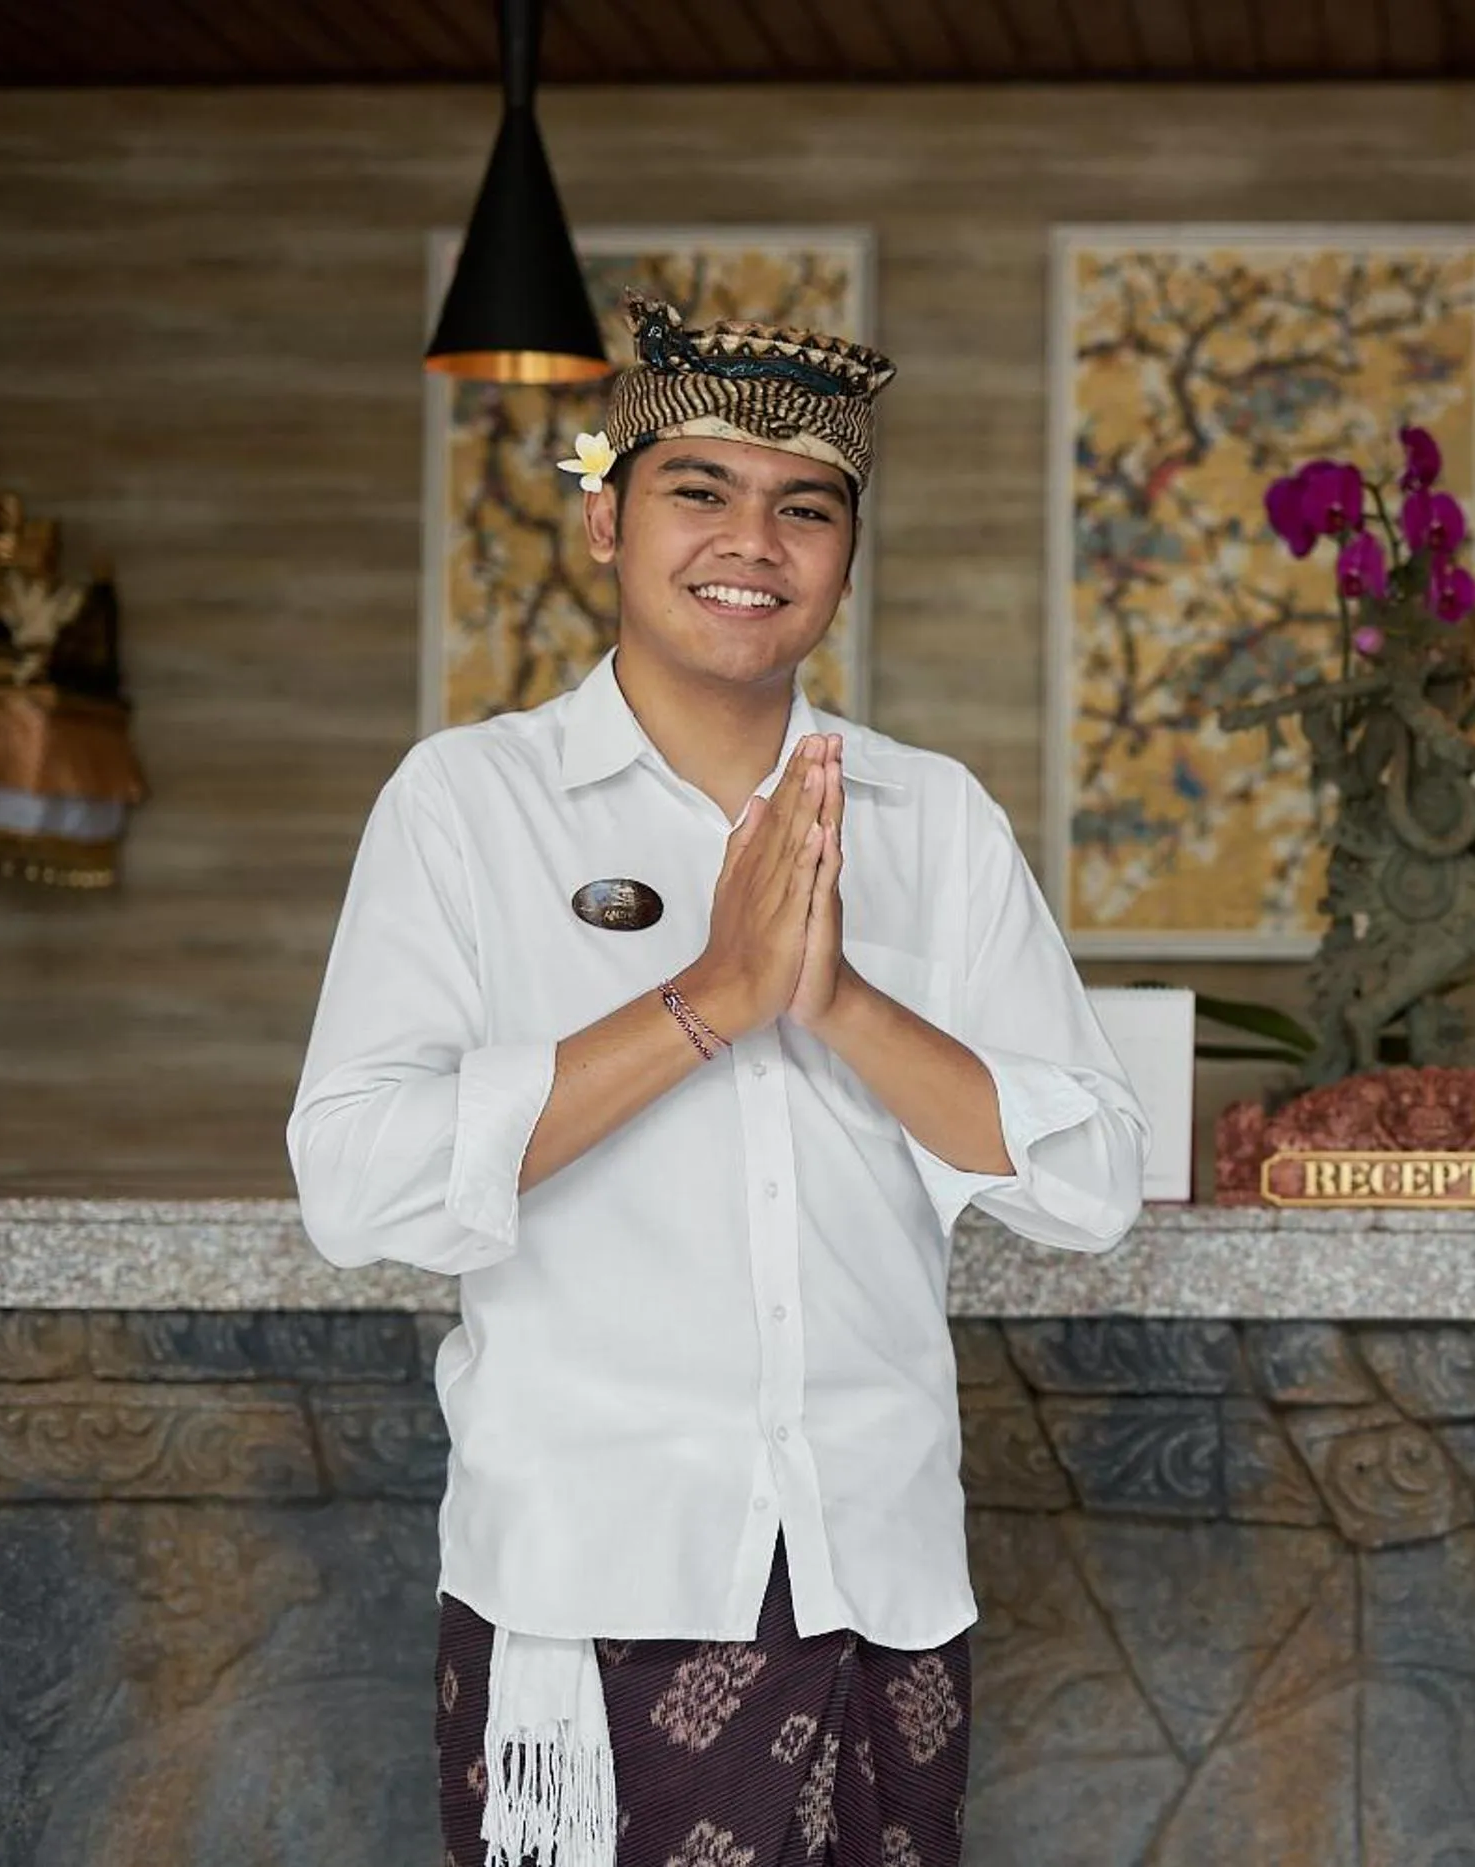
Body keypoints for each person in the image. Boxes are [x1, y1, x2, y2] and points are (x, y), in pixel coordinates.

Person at [289, 291, 1147, 1867]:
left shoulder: (930, 818)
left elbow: (1090, 1182)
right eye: (700, 490)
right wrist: (705, 1001)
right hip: (592, 1578)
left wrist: (830, 999)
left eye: (803, 506)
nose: (752, 538)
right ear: (607, 519)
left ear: (844, 554)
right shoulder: (471, 805)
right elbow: (357, 1179)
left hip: (879, 1580)